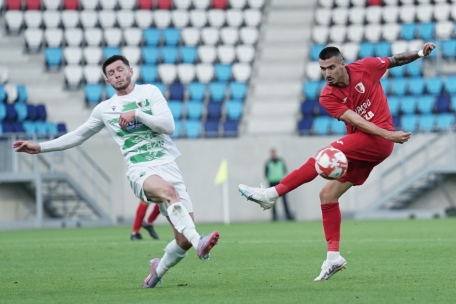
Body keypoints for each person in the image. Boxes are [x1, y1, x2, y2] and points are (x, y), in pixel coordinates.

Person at [13, 55, 220, 289]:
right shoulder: (105, 109)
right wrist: (40, 147)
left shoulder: (149, 93)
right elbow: (78, 135)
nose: (117, 74)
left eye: (120, 69)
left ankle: (156, 272)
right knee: (169, 193)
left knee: (181, 241)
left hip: (168, 164)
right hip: (140, 170)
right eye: (111, 73)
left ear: (130, 71)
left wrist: (138, 114)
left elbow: (169, 126)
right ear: (107, 81)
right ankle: (199, 242)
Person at [239, 42, 435, 281]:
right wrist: (389, 134)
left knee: (324, 156)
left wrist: (419, 53)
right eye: (323, 69)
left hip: (379, 140)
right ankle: (333, 258)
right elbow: (355, 119)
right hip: (371, 139)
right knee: (327, 195)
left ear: (342, 64)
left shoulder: (366, 67)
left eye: (331, 67)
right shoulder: (327, 95)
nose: (327, 73)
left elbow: (395, 60)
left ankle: (271, 194)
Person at [265, 148, 294, 221]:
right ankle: (274, 217)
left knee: (284, 200)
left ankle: (288, 215)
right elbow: (266, 173)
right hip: (272, 183)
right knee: (273, 201)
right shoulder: (268, 163)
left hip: (281, 183)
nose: (273, 154)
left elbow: (284, 170)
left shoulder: (281, 161)